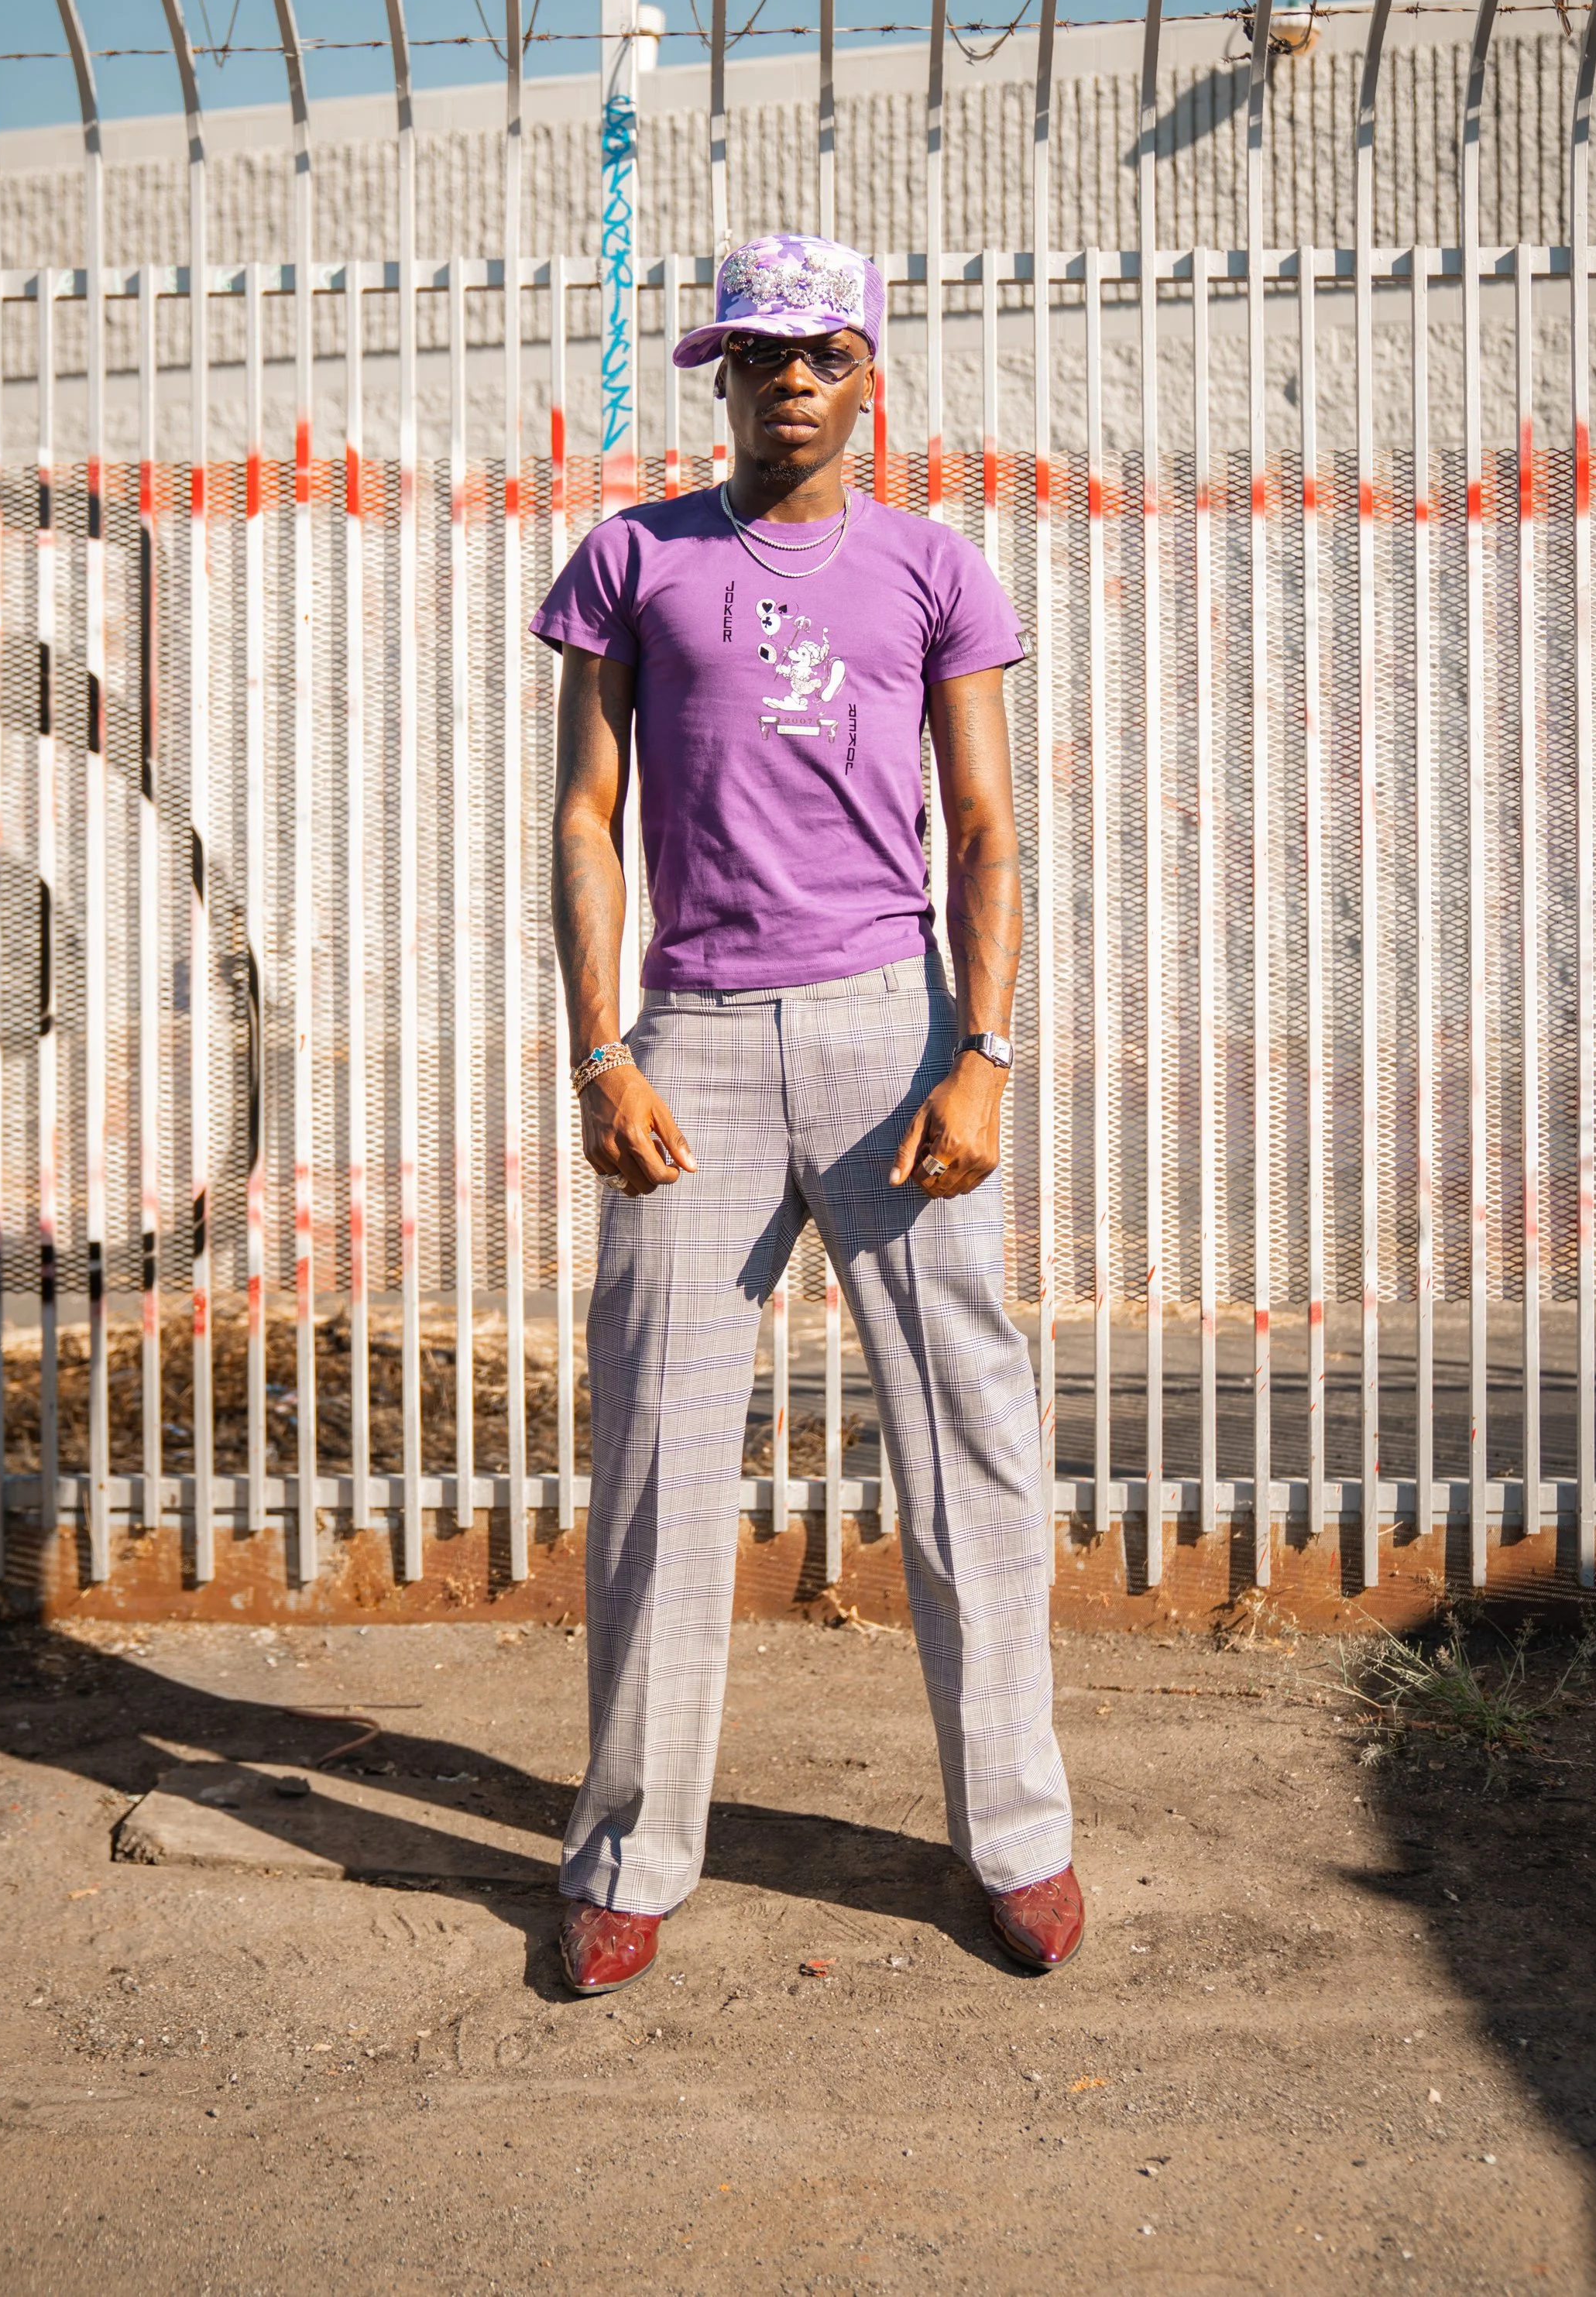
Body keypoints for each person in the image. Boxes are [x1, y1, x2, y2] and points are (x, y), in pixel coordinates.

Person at [531, 231, 1081, 1998]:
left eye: (818, 354)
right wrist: (599, 1053)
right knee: (658, 1460)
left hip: (885, 1042)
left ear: (865, 374)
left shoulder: (931, 569)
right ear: (718, 376)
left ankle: (1015, 1838)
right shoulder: (631, 560)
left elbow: (985, 828)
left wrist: (980, 1053)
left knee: (965, 1446)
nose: (787, 382)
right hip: (686, 1040)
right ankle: (628, 1857)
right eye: (757, 356)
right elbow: (584, 815)